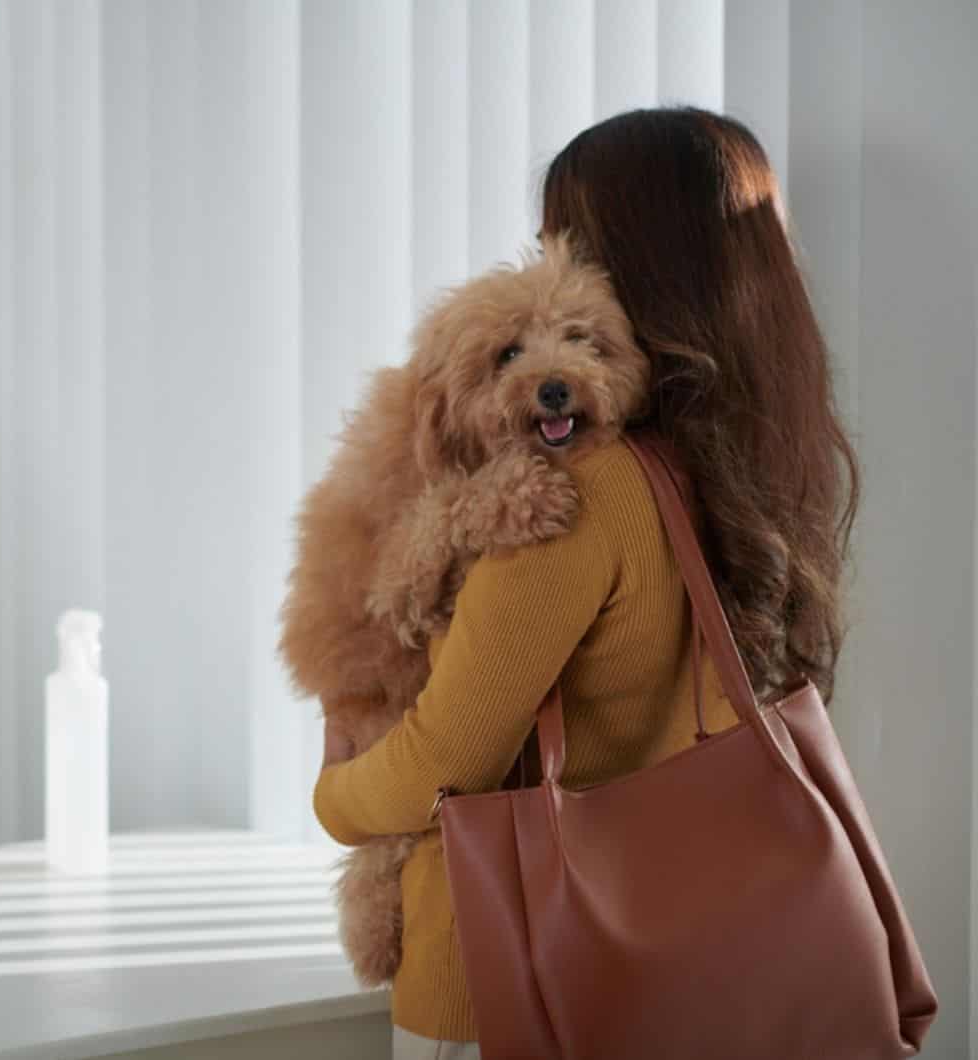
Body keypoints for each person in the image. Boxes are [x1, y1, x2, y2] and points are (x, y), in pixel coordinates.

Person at [313, 107, 860, 1059]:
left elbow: (444, 760)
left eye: (564, 238)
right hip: (653, 969)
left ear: (627, 263)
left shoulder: (579, 491)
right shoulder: (705, 468)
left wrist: (332, 799)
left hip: (497, 978)